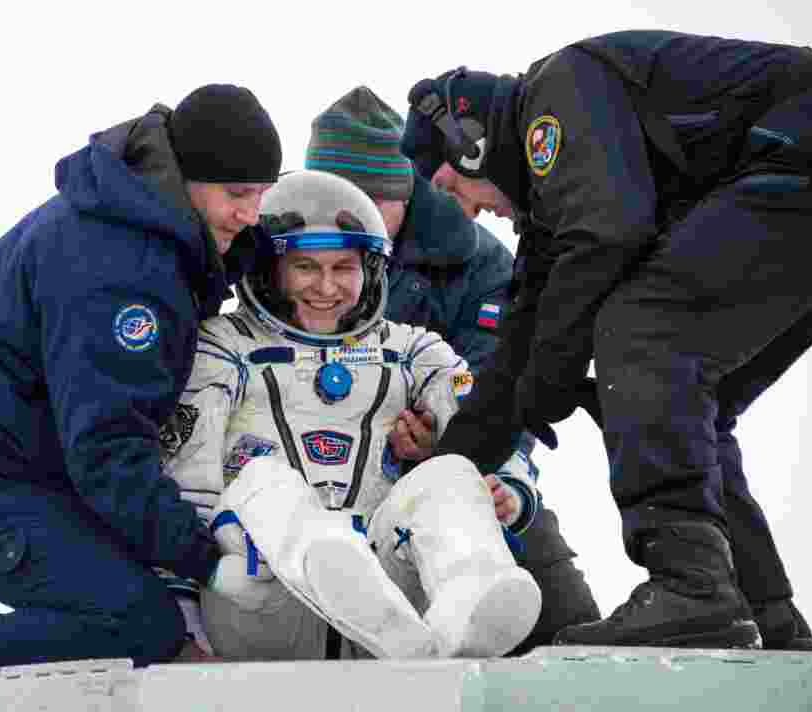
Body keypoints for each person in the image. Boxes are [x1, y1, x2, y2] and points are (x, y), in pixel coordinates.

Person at [400, 30, 812, 649]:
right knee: (690, 395)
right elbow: (520, 345)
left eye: (453, 189)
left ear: (472, 147)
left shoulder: (557, 95)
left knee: (643, 326)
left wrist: (555, 372)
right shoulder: (553, 209)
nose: (470, 211)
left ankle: (691, 588)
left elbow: (610, 235)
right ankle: (764, 612)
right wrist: (448, 470)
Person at [0, 84, 283, 711]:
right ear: (187, 176)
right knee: (139, 623)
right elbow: (108, 447)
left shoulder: (143, 221)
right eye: (237, 194)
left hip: (34, 476)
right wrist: (207, 562)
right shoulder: (123, 271)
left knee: (147, 608)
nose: (251, 214)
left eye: (262, 194)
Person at [160, 169, 543, 661]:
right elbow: (187, 487)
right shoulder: (224, 346)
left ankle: (471, 605)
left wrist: (508, 488)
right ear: (269, 269)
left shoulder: (411, 351)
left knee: (448, 473)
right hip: (263, 601)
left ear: (372, 270)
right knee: (262, 479)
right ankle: (328, 556)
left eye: (344, 267)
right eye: (305, 267)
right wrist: (183, 623)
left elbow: (484, 419)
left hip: (392, 602)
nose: (327, 286)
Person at [304, 86, 600, 653]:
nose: (357, 219)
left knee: (564, 621)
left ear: (405, 190)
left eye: (374, 200)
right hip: (319, 474)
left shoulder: (482, 265)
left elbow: (499, 390)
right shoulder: (277, 251)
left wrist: (461, 459)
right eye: (341, 200)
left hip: (457, 461)